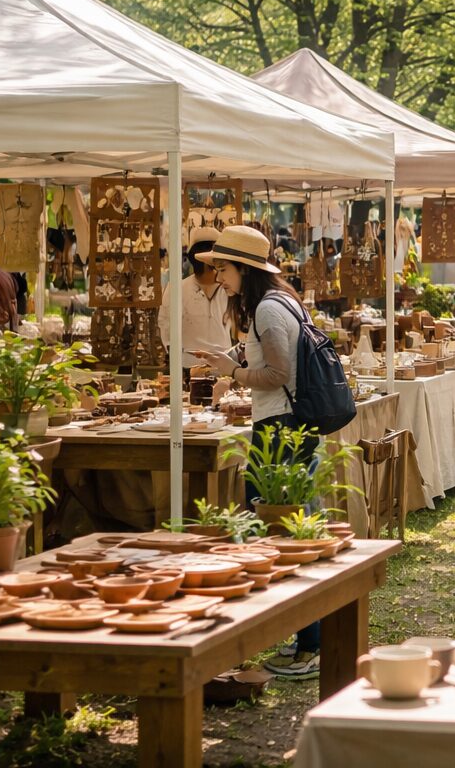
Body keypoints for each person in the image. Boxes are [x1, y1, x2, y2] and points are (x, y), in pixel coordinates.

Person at [189, 225, 321, 678]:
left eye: (223, 268)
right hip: (285, 427)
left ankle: (310, 645)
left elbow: (279, 373)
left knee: (282, 533)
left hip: (280, 430)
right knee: (290, 530)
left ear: (244, 268)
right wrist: (232, 359)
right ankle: (304, 639)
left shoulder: (266, 309)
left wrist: (234, 372)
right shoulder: (281, 301)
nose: (219, 277)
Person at [158, 228, 230, 368]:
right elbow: (165, 324)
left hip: (224, 364)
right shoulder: (177, 289)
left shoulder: (228, 289)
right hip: (187, 365)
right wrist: (173, 355)